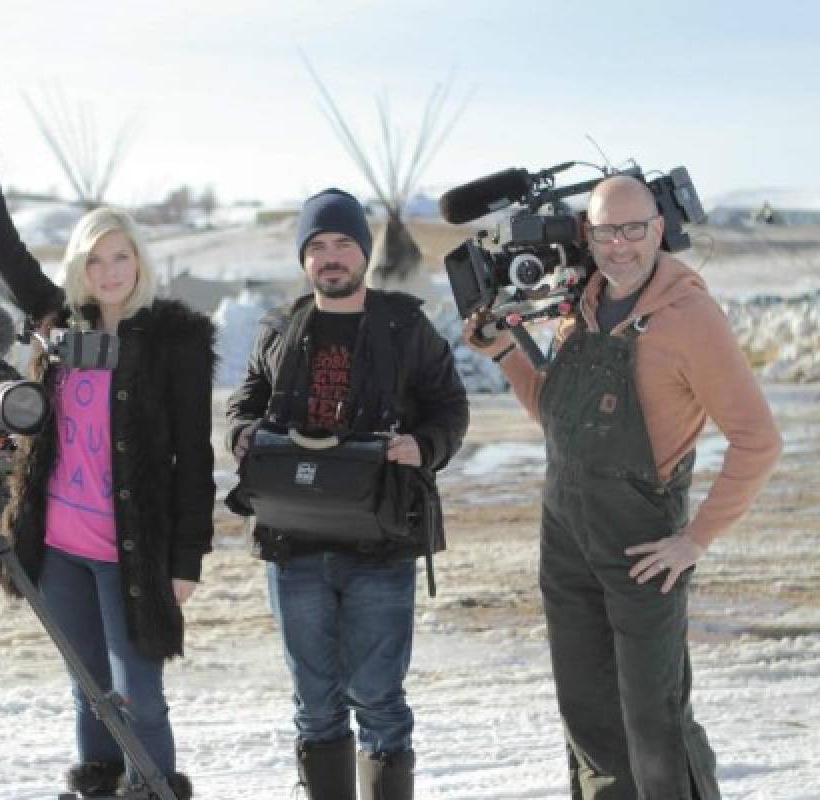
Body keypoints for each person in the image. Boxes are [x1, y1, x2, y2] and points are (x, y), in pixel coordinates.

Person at [463, 175, 782, 798]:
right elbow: (559, 415)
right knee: (588, 718)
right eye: (606, 230)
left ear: (658, 230)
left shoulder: (690, 316)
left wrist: (695, 540)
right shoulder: (577, 306)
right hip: (565, 542)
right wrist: (505, 351)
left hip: (642, 548)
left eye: (634, 228)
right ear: (588, 234)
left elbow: (759, 440)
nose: (620, 245)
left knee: (653, 723)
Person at [0, 112, 214, 800]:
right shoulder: (59, 324)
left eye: (120, 256)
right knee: (89, 688)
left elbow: (195, 455)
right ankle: (98, 788)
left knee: (140, 694)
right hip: (60, 543)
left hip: (133, 549)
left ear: (139, 262)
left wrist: (187, 559)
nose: (109, 271)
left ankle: (153, 790)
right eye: (95, 259)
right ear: (80, 267)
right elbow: (6, 253)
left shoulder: (176, 339)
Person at [226, 188, 468, 800]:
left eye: (342, 244)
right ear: (304, 259)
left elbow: (450, 405)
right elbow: (245, 399)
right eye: (317, 247)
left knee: (381, 703)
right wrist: (240, 431)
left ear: (362, 252)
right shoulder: (280, 328)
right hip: (292, 540)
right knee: (314, 706)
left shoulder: (404, 326)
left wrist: (424, 444)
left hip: (380, 544)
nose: (331, 257)